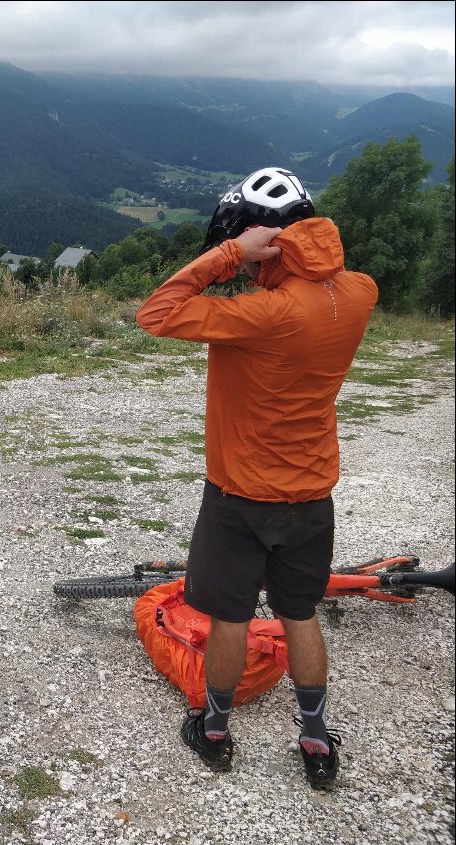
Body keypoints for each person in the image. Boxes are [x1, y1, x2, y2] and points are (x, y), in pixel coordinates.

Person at [135, 167, 378, 790]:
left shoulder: (261, 314)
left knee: (232, 619)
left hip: (238, 496)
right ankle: (316, 739)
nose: (244, 266)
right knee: (300, 614)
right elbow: (321, 275)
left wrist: (226, 256)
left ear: (265, 241)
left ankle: (213, 730)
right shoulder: (359, 293)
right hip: (312, 493)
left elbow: (156, 313)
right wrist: (268, 256)